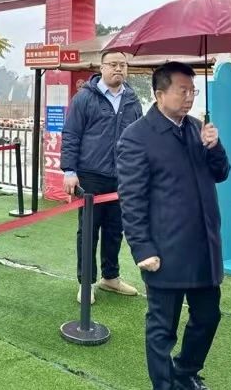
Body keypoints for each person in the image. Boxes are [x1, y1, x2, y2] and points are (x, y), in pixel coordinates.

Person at [116, 62, 230, 390]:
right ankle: (164, 385)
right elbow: (132, 199)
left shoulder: (197, 129)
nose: (189, 97)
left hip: (204, 246)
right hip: (165, 250)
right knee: (162, 327)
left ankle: (184, 371)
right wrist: (143, 248)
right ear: (159, 93)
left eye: (193, 91)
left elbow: (221, 173)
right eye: (183, 91)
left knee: (208, 316)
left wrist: (214, 146)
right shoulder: (137, 137)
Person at [61, 51, 142, 304]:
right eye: (113, 64)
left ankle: (111, 277)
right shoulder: (84, 98)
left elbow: (140, 137)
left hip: (122, 177)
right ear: (102, 67)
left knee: (115, 230)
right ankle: (86, 283)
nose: (118, 69)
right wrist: (70, 171)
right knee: (88, 232)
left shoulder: (132, 100)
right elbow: (71, 134)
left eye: (123, 65)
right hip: (90, 177)